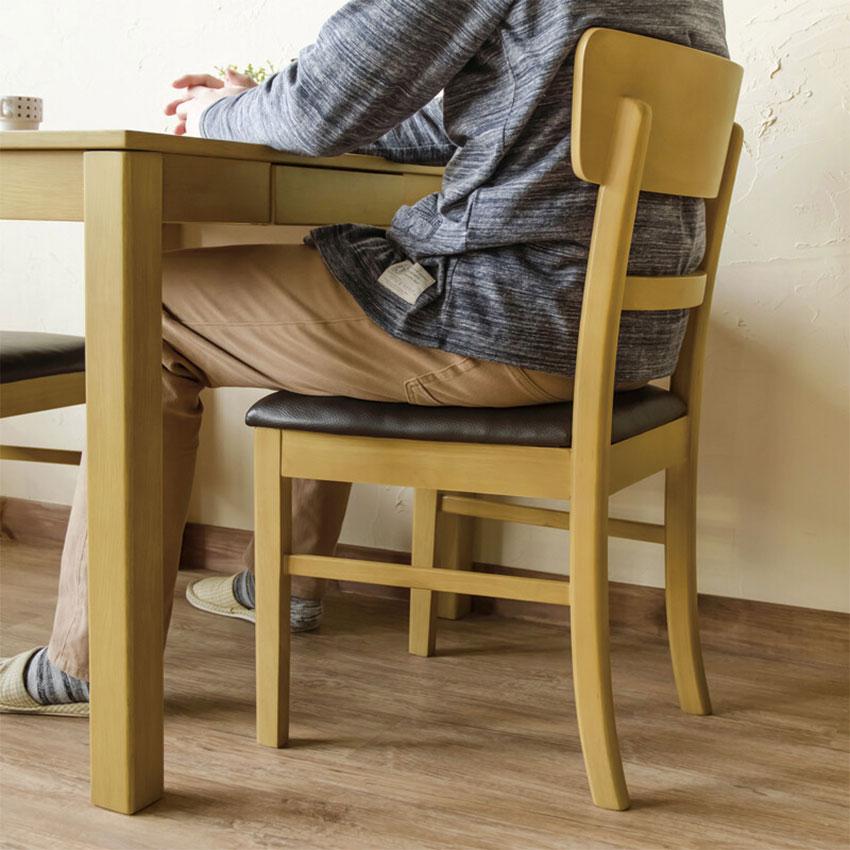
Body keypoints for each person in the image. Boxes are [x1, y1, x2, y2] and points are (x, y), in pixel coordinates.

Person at [0, 0, 728, 715]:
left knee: (143, 305)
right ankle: (280, 585)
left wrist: (217, 113)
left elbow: (322, 107)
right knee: (328, 277)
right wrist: (268, 106)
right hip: (619, 336)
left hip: (503, 322)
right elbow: (494, 111)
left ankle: (89, 663)